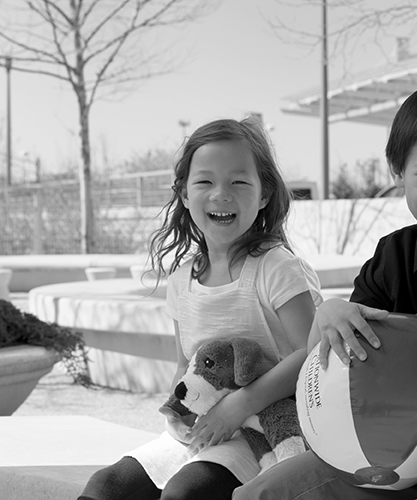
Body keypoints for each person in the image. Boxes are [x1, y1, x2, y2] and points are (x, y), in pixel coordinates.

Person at [234, 73, 417, 500]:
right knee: (258, 495)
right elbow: (330, 358)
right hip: (375, 443)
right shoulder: (391, 254)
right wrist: (329, 312)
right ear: (398, 172)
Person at [79, 117, 322, 500]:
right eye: (205, 181)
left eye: (239, 182)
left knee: (186, 493)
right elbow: (185, 364)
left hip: (267, 434)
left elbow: (312, 353)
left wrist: (237, 407)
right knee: (105, 487)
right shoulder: (181, 280)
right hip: (205, 432)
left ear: (264, 194)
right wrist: (176, 412)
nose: (221, 194)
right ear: (184, 193)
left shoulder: (277, 268)